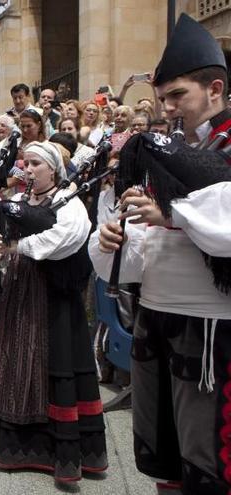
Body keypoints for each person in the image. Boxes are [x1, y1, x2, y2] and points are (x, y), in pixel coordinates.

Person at [90, 14, 231, 494]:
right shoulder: (161, 150)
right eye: (162, 98)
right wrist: (114, 240)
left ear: (215, 89)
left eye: (178, 96)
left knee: (206, 458)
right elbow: (141, 235)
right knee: (159, 452)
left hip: (210, 324)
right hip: (155, 312)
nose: (167, 109)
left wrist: (168, 214)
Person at [0, 141, 108, 483]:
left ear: (53, 168)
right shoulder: (18, 201)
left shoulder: (70, 204)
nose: (29, 169)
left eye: (36, 163)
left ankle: (58, 454)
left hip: (53, 297)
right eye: (26, 163)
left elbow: (66, 238)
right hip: (18, 292)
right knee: (15, 362)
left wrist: (19, 246)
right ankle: (10, 442)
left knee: (53, 362)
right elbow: (1, 234)